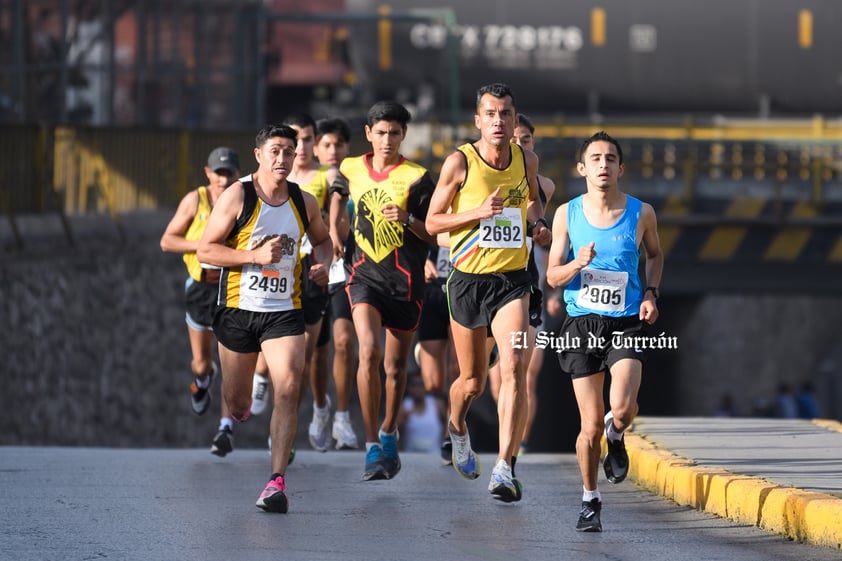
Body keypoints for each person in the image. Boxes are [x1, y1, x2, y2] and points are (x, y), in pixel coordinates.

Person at [197, 124, 332, 513]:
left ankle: (275, 482)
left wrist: (322, 266)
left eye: (289, 151)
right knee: (237, 403)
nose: (282, 159)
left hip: (284, 313)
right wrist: (254, 257)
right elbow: (207, 250)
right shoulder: (237, 195)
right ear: (259, 155)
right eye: (275, 151)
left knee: (289, 385)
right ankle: (238, 408)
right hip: (238, 311)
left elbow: (323, 241)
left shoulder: (303, 201)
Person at [425, 83, 549, 502]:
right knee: (473, 381)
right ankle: (457, 427)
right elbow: (432, 223)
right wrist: (479, 212)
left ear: (515, 120)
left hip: (512, 280)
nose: (499, 121)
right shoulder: (460, 162)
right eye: (491, 114)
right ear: (479, 120)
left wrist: (536, 225)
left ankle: (504, 467)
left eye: (506, 114)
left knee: (513, 365)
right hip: (467, 280)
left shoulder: (527, 159)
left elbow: (532, 202)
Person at [545, 130, 663, 532]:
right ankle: (590, 499)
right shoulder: (566, 213)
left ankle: (618, 432)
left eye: (610, 159)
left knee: (624, 409)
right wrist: (577, 264)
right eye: (595, 159)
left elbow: (655, 255)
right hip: (581, 324)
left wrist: (650, 292)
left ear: (621, 168)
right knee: (588, 426)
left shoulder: (641, 212)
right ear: (582, 168)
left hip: (627, 320)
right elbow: (552, 276)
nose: (603, 165)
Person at [328, 100, 435, 480]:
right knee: (368, 352)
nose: (387, 140)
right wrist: (333, 228)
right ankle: (372, 444)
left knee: (394, 367)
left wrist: (407, 218)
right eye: (380, 132)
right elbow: (336, 195)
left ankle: (390, 429)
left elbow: (433, 230)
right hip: (363, 277)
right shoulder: (350, 167)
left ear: (403, 135)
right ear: (368, 134)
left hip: (405, 282)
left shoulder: (419, 177)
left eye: (394, 133)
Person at [159, 146, 241, 457]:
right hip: (201, 288)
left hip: (232, 287)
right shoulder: (196, 199)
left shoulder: (243, 199)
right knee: (203, 362)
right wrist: (205, 246)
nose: (224, 178)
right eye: (218, 173)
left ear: (237, 173)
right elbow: (168, 240)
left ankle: (225, 429)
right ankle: (201, 381)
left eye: (229, 173)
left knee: (231, 362)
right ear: (207, 173)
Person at [487, 113, 557, 454]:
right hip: (487, 283)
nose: (518, 145)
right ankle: (504, 428)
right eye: (513, 140)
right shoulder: (484, 178)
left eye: (525, 140)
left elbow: (546, 239)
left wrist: (555, 290)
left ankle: (518, 442)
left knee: (525, 373)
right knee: (490, 377)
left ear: (532, 145)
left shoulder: (543, 186)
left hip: (528, 287)